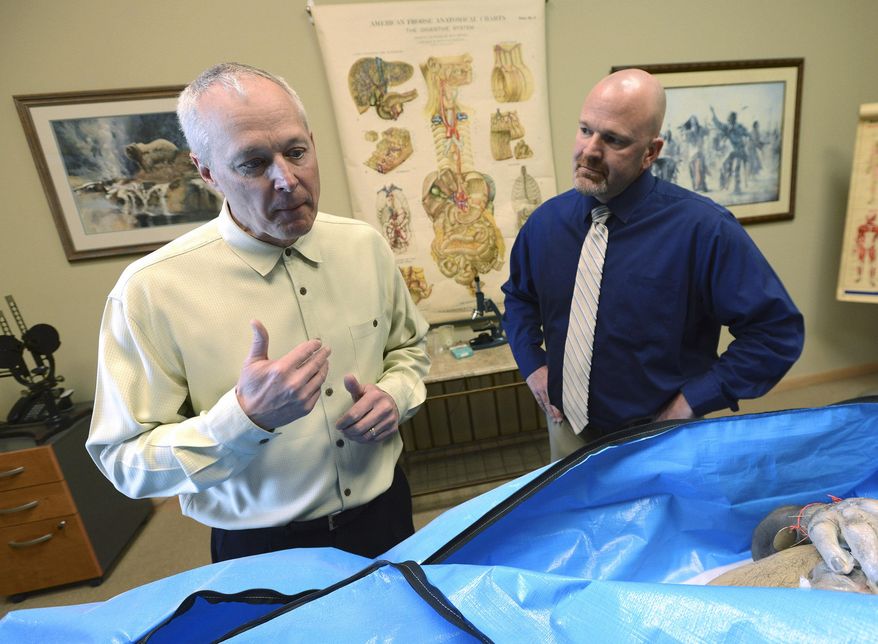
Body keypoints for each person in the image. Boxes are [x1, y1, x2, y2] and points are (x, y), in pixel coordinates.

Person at [86, 62, 431, 563]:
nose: (287, 180)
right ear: (206, 172)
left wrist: (395, 396)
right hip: (262, 548)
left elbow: (408, 350)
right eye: (253, 163)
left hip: (386, 515)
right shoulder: (151, 291)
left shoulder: (365, 246)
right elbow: (124, 462)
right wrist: (244, 419)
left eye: (297, 152)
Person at [501, 68, 804, 461]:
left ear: (651, 152)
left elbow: (775, 333)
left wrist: (692, 402)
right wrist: (532, 363)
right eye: (585, 130)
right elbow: (519, 297)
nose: (590, 150)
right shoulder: (546, 224)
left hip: (662, 438)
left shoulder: (704, 230)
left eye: (613, 140)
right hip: (566, 429)